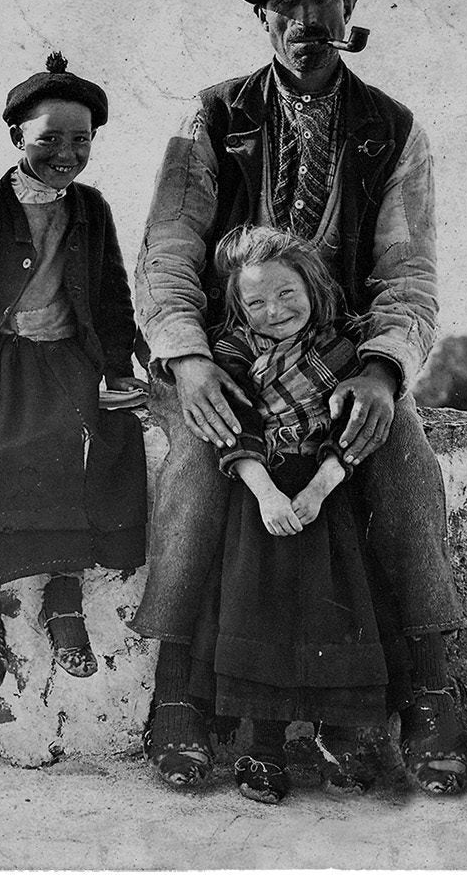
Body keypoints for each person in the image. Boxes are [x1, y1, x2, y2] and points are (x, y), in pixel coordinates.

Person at [133, 0, 467, 794]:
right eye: (287, 4)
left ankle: (434, 691)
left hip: (335, 354)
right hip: (228, 349)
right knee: (201, 466)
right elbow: (169, 248)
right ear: (263, 16)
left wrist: (383, 369)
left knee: (402, 459)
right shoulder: (215, 116)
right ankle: (180, 695)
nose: (305, 20)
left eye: (324, 0)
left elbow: (408, 274)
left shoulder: (391, 131)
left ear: (349, 11)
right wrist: (191, 359)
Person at [0, 52, 146, 691]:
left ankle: (64, 599)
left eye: (81, 140)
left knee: (83, 459)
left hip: (70, 365)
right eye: (49, 139)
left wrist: (118, 369)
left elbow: (111, 295)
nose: (65, 153)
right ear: (18, 139)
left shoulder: (92, 209)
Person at [187, 226, 406, 804]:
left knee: (335, 610)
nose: (273, 311)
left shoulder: (345, 350)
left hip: (326, 496)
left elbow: (351, 433)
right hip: (260, 499)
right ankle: (261, 747)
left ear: (312, 286)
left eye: (286, 294)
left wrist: (315, 491)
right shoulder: (231, 353)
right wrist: (268, 495)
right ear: (238, 306)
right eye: (255, 301)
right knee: (256, 612)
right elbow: (235, 429)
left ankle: (338, 739)